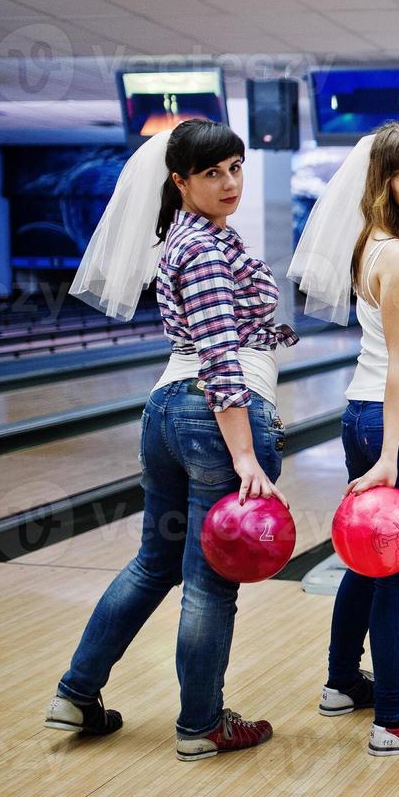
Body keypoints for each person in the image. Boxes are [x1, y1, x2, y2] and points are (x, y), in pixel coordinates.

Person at [46, 119, 297, 762]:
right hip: (212, 419)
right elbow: (219, 356)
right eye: (212, 173)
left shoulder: (193, 237)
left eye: (236, 167)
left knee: (154, 563)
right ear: (180, 181)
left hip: (166, 411)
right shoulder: (208, 250)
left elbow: (231, 330)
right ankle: (202, 724)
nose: (229, 182)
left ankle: (76, 692)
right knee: (210, 580)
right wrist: (243, 453)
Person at [289, 122, 399, 757]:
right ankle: (394, 719)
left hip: (372, 413)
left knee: (369, 563)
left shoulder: (394, 243)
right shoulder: (395, 254)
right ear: (384, 182)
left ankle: (343, 683)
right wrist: (391, 455)